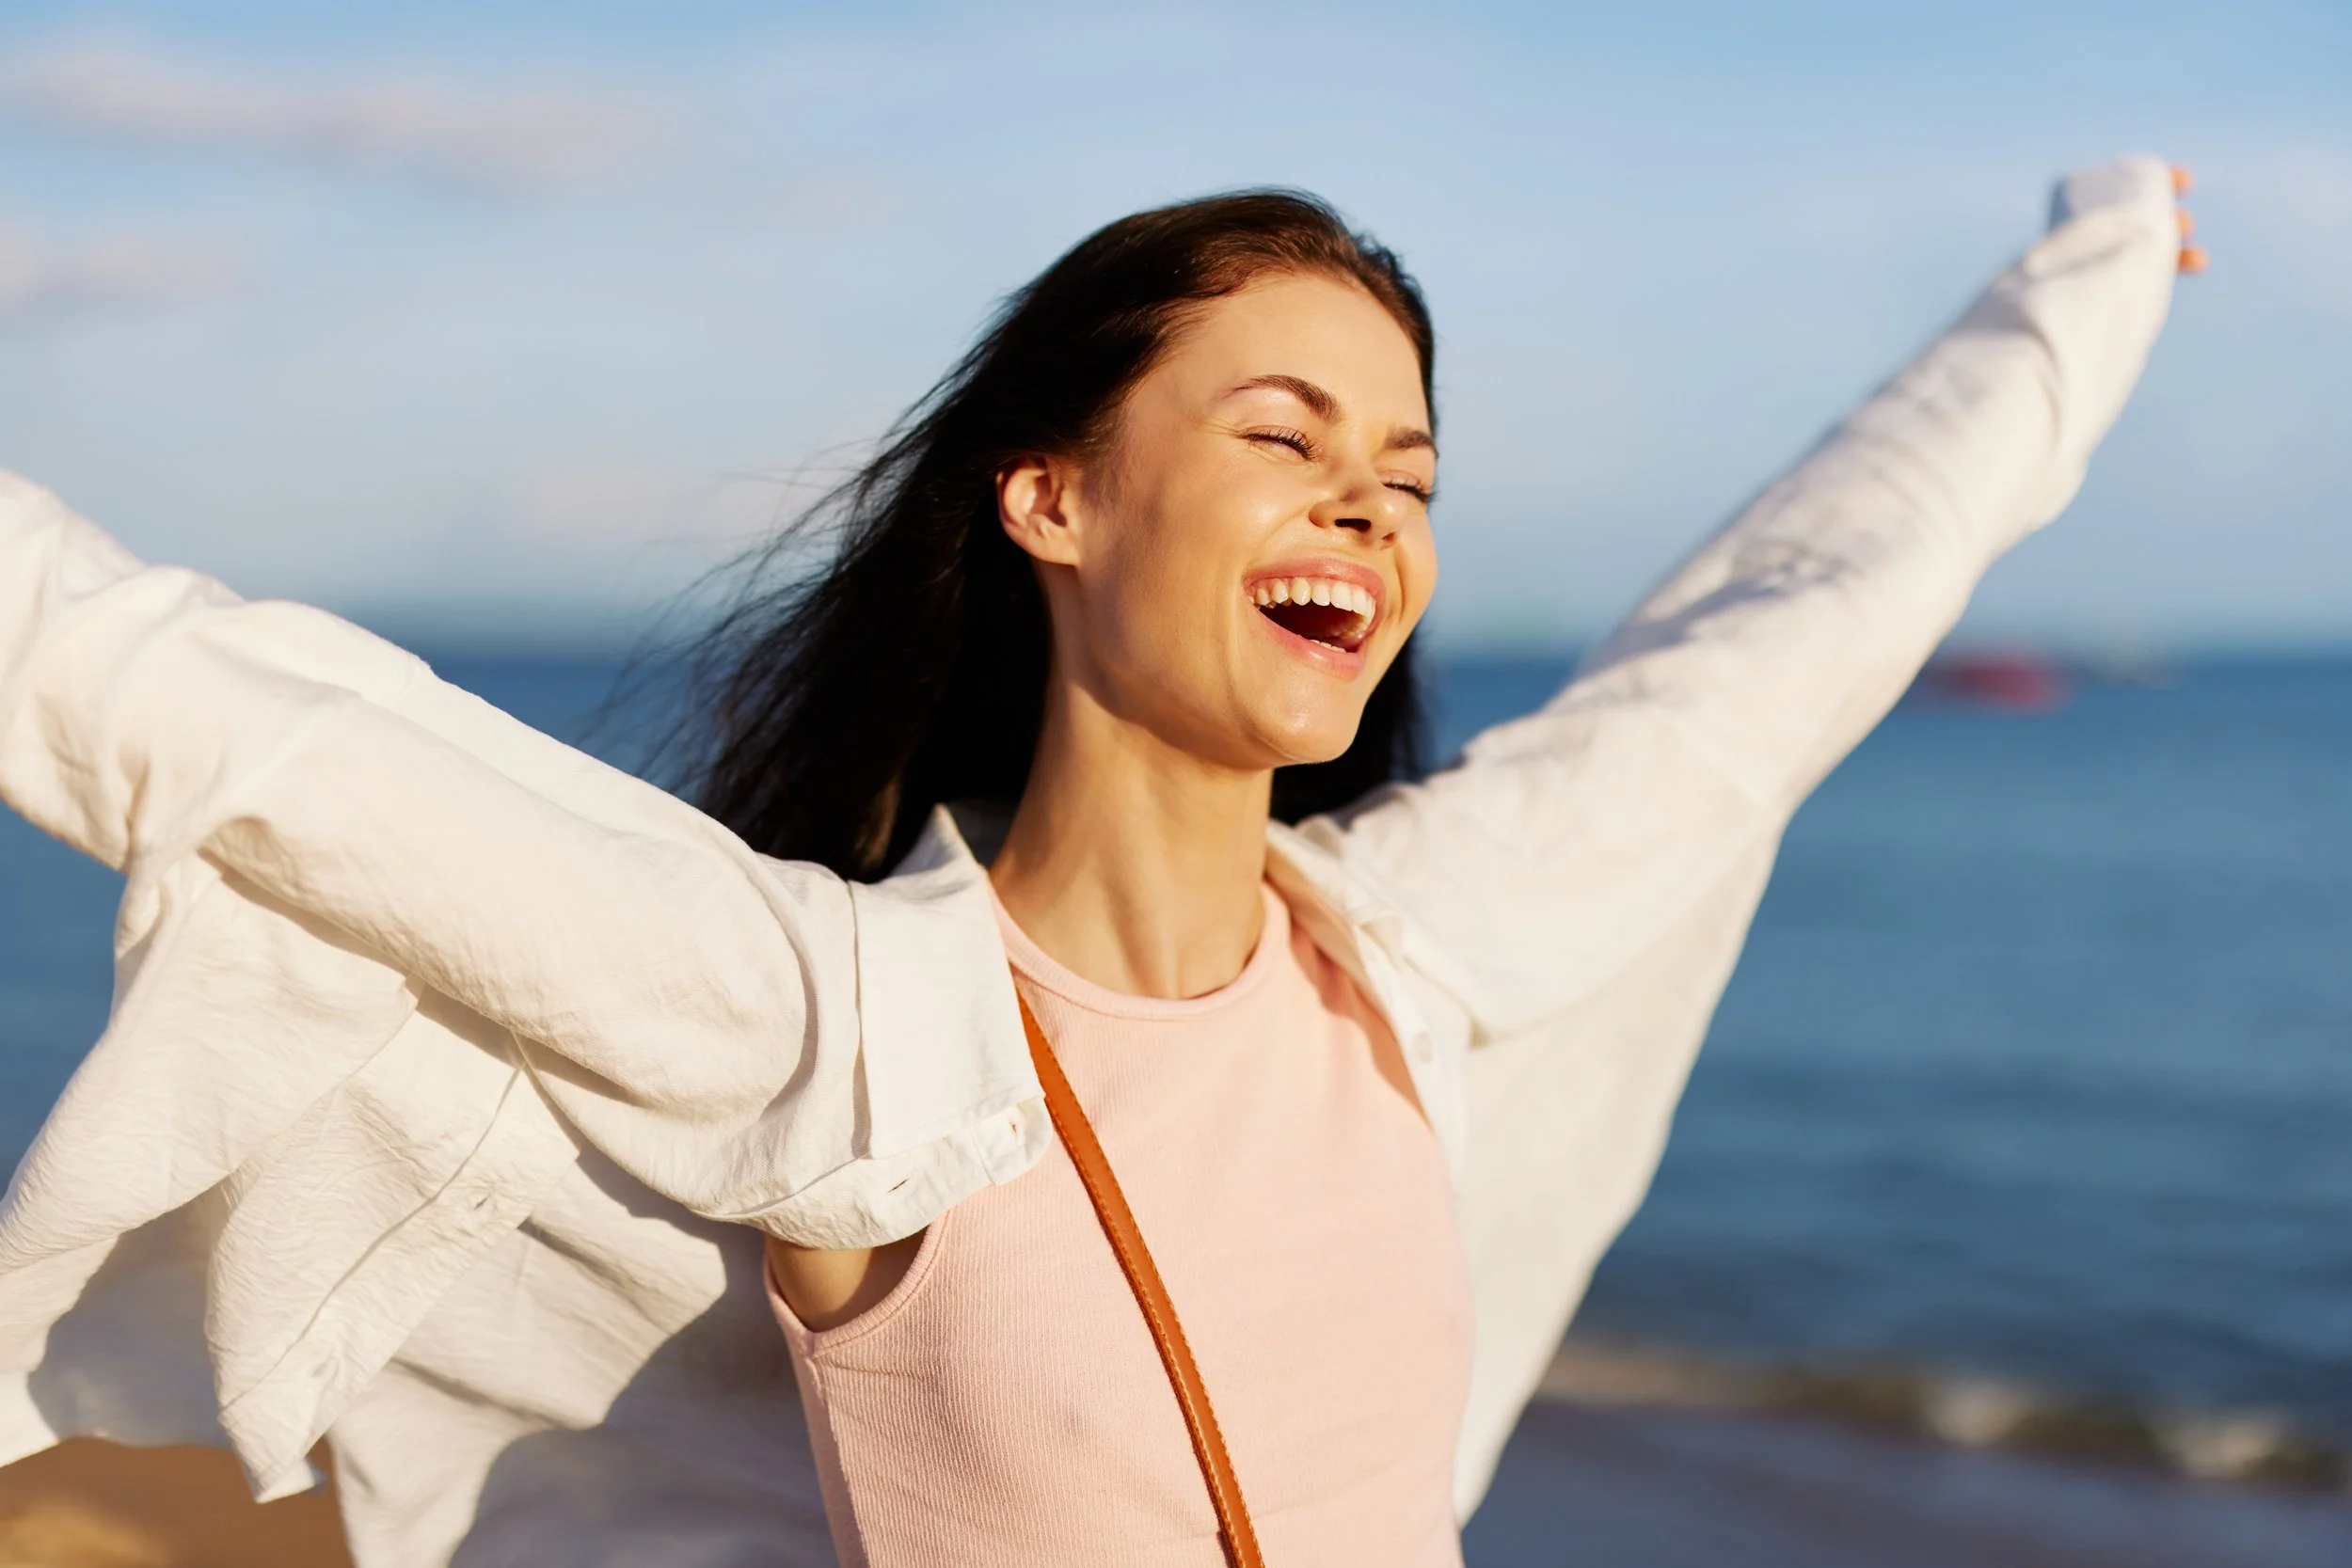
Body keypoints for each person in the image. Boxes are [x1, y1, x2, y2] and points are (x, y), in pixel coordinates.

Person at [0, 155, 2199, 1566]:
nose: (1364, 504)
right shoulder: (838, 1028)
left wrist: (2083, 285)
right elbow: (202, 711)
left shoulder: (1408, 963)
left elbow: (1791, 628)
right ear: (1048, 500)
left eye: (1403, 471)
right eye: (1282, 436)